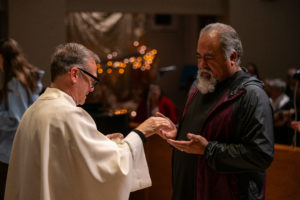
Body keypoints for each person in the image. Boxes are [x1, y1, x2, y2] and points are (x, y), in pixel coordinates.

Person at [4, 43, 171, 200]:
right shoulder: (68, 115)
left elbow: (60, 158)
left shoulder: (33, 111)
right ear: (75, 74)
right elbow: (111, 169)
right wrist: (141, 132)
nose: (91, 89)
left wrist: (101, 143)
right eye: (91, 81)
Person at [157, 23, 274, 200]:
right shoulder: (198, 86)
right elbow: (205, 130)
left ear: (232, 56)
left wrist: (209, 149)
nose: (201, 65)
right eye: (199, 57)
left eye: (209, 57)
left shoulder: (252, 95)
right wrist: (178, 131)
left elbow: (261, 155)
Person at [0, 38, 43, 199]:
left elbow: (16, 120)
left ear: (4, 58)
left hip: (9, 151)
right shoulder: (27, 78)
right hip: (23, 148)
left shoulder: (15, 83)